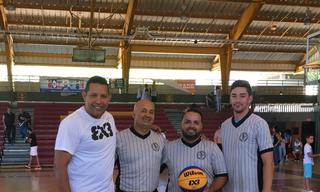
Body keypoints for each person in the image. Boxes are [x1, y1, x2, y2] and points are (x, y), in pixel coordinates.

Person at [54, 76, 116, 192]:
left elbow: (115, 138)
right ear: (84, 95)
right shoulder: (71, 123)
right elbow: (59, 167)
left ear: (109, 98)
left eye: (103, 96)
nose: (98, 101)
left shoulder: (109, 118)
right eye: (93, 95)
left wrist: (148, 127)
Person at [221, 80, 274, 192]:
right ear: (230, 99)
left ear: (250, 98)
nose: (238, 100)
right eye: (234, 96)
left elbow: (268, 162)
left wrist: (267, 190)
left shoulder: (259, 124)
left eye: (242, 96)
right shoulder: (224, 126)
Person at [163, 107, 228, 192]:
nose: (191, 126)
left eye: (196, 122)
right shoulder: (168, 148)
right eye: (187, 122)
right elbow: (152, 169)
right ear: (181, 123)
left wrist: (210, 190)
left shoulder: (212, 148)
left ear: (201, 126)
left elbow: (222, 175)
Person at [116, 99, 166, 192]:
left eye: (151, 112)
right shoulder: (119, 138)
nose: (148, 115)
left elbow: (164, 164)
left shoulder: (160, 139)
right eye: (143, 111)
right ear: (133, 114)